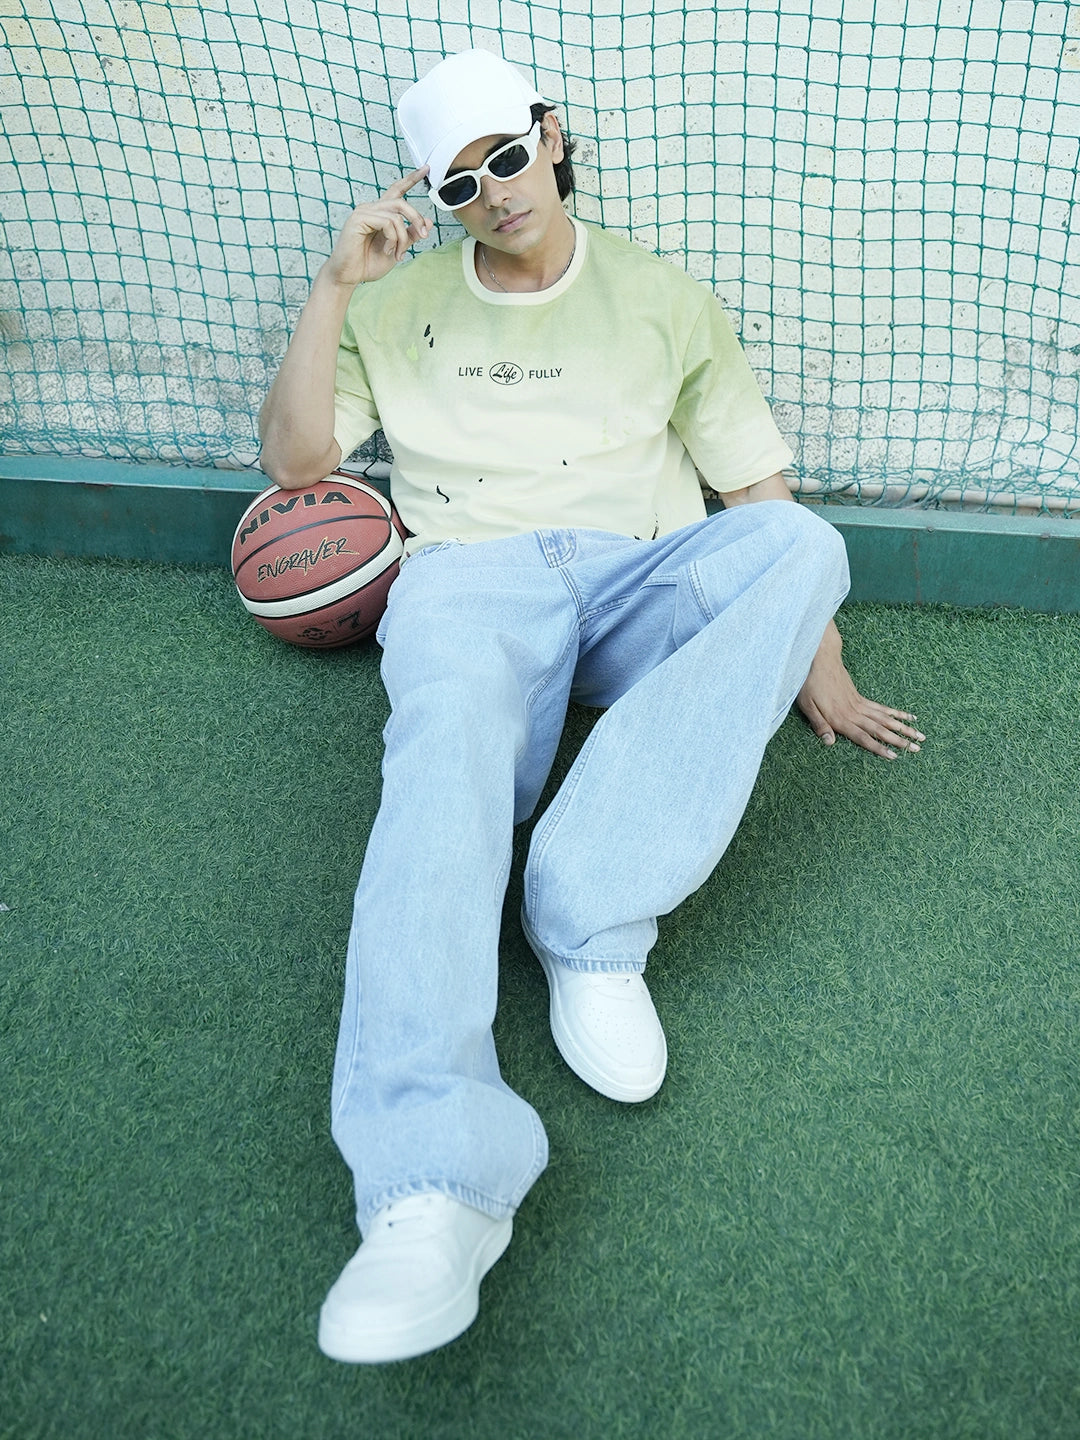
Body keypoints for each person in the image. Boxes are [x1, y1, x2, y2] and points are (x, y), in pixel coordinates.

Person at [258, 48, 925, 1365]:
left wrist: (816, 662)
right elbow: (296, 464)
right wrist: (336, 288)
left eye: (509, 157)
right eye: (461, 182)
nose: (496, 192)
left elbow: (759, 496)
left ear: (552, 138)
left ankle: (589, 915)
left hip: (635, 574)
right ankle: (430, 1186)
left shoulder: (664, 297)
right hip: (468, 583)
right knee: (439, 776)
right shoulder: (394, 305)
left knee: (802, 548)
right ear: (437, 197)